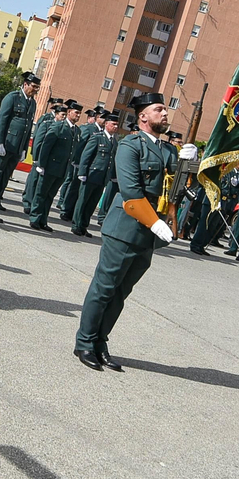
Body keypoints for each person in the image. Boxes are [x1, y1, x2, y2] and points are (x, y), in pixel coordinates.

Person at [74, 92, 176, 370]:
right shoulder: (131, 144)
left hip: (149, 234)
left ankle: (100, 341)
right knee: (105, 287)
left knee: (122, 291)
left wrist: (190, 167)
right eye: (159, 110)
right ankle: (84, 342)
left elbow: (175, 190)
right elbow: (131, 191)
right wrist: (155, 222)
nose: (165, 114)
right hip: (126, 226)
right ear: (143, 116)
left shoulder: (169, 150)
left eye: (165, 110)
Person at [0, 72, 41, 221]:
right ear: (25, 84)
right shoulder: (12, 97)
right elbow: (2, 121)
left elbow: (27, 128)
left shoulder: (32, 103)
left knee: (4, 179)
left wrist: (24, 148)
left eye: (37, 88)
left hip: (17, 148)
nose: (35, 90)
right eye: (33, 87)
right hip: (6, 144)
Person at [28, 102, 81, 231]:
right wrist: (41, 164)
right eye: (76, 112)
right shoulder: (58, 126)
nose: (78, 115)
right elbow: (46, 146)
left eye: (79, 113)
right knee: (41, 194)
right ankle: (35, 218)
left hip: (62, 169)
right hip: (51, 166)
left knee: (50, 195)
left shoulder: (77, 130)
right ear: (69, 113)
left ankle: (43, 220)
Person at [72, 111, 119, 236]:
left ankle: (83, 226)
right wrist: (82, 172)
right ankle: (76, 224)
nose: (116, 127)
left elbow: (112, 161)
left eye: (117, 124)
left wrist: (113, 176)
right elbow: (86, 155)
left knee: (92, 203)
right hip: (92, 174)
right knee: (83, 201)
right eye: (113, 124)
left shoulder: (114, 142)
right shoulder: (97, 137)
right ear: (106, 124)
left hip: (103, 178)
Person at [22, 100, 66, 216]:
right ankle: (28, 202)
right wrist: (36, 157)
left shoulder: (62, 126)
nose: (64, 117)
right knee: (34, 179)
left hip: (49, 159)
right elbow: (38, 139)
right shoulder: (46, 121)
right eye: (62, 114)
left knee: (41, 185)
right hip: (40, 157)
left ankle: (35, 205)